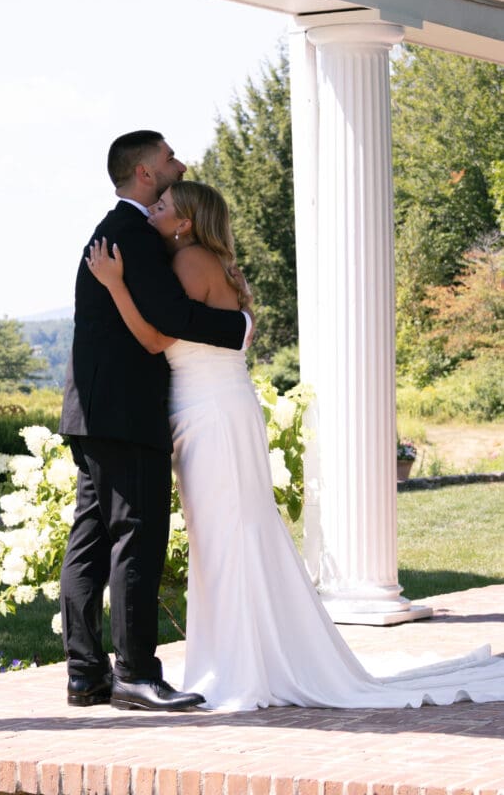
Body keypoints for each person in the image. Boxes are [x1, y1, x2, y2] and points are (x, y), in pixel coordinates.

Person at [87, 179, 504, 711]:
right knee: (226, 535)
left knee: (227, 537)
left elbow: (154, 339)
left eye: (163, 206)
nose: (153, 211)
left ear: (185, 222)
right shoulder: (201, 259)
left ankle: (239, 668)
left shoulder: (189, 261)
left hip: (212, 413)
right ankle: (246, 657)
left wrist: (115, 285)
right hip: (211, 407)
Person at [58, 131, 252, 712]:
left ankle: (85, 674)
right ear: (145, 173)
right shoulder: (136, 235)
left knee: (91, 539)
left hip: (92, 412)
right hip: (126, 413)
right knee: (137, 537)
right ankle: (136, 674)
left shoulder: (112, 231)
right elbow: (171, 318)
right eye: (169, 158)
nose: (180, 164)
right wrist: (240, 326)